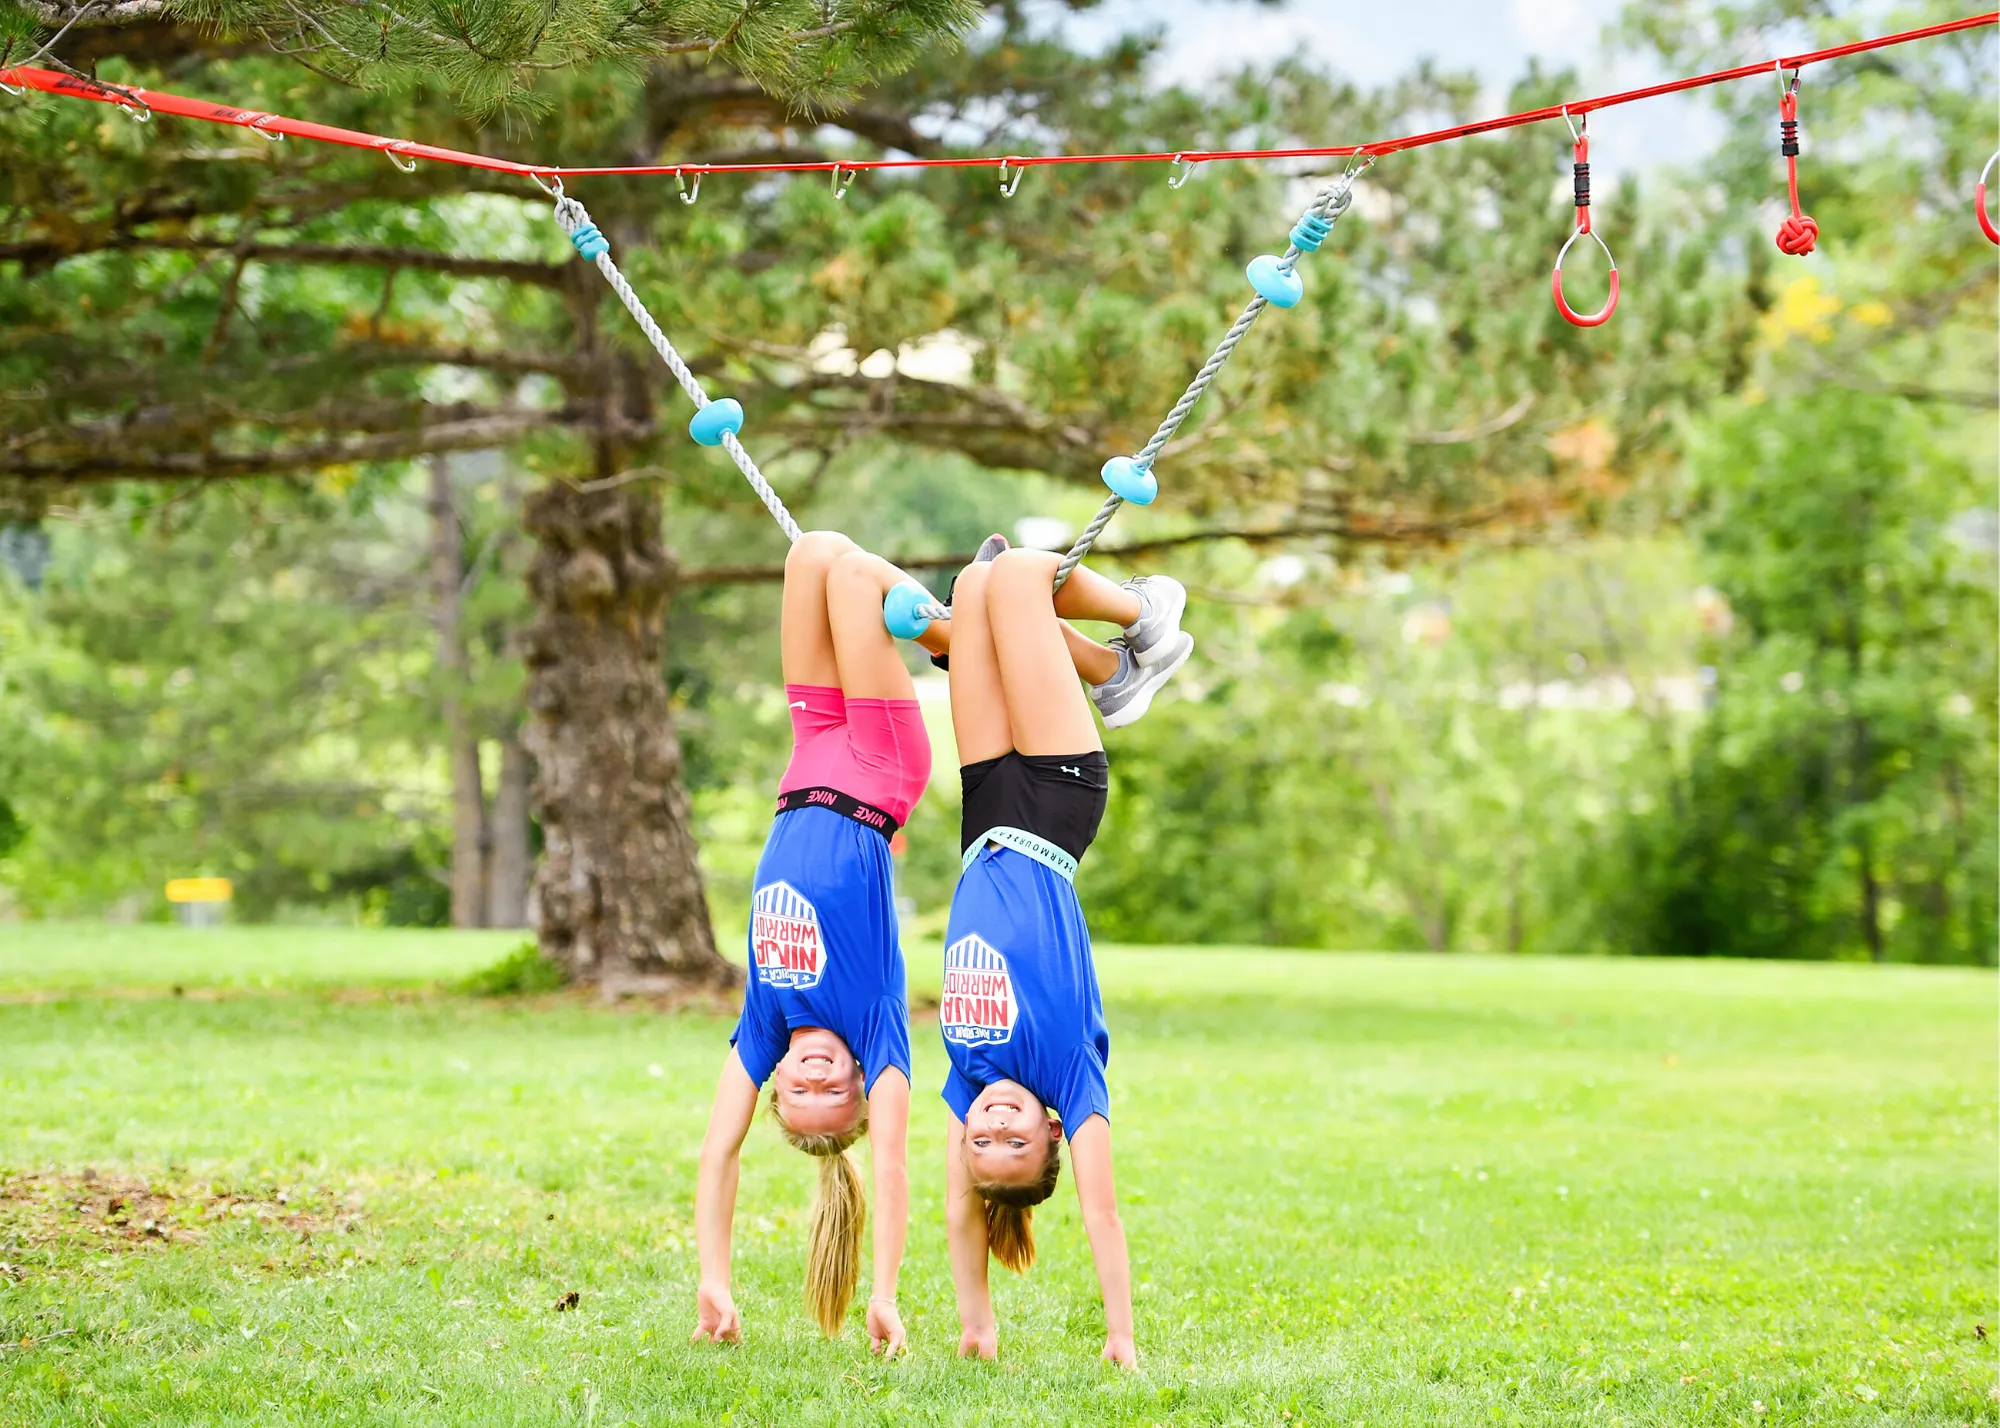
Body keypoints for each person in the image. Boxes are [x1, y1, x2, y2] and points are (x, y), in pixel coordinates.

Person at [934, 541, 1193, 1369]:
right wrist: (1119, 1334)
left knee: (974, 585)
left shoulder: (965, 1074)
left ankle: (1111, 674)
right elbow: (1103, 1216)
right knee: (1017, 579)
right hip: (1054, 804)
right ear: (1053, 1135)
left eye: (983, 1145)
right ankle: (1141, 618)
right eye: (1018, 1146)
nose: (996, 1130)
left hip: (984, 816)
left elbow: (959, 1212)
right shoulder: (1070, 1079)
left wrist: (976, 1320)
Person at [691, 530, 944, 1356]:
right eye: (834, 1094)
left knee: (814, 554)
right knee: (853, 578)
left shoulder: (766, 1022)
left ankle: (950, 624)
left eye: (796, 1095)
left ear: (778, 1089)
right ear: (861, 1087)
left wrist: (714, 1277)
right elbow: (898, 1171)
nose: (813, 1078)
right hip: (876, 771)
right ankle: (952, 637)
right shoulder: (876, 1027)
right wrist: (886, 1293)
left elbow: (719, 1152)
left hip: (807, 763)